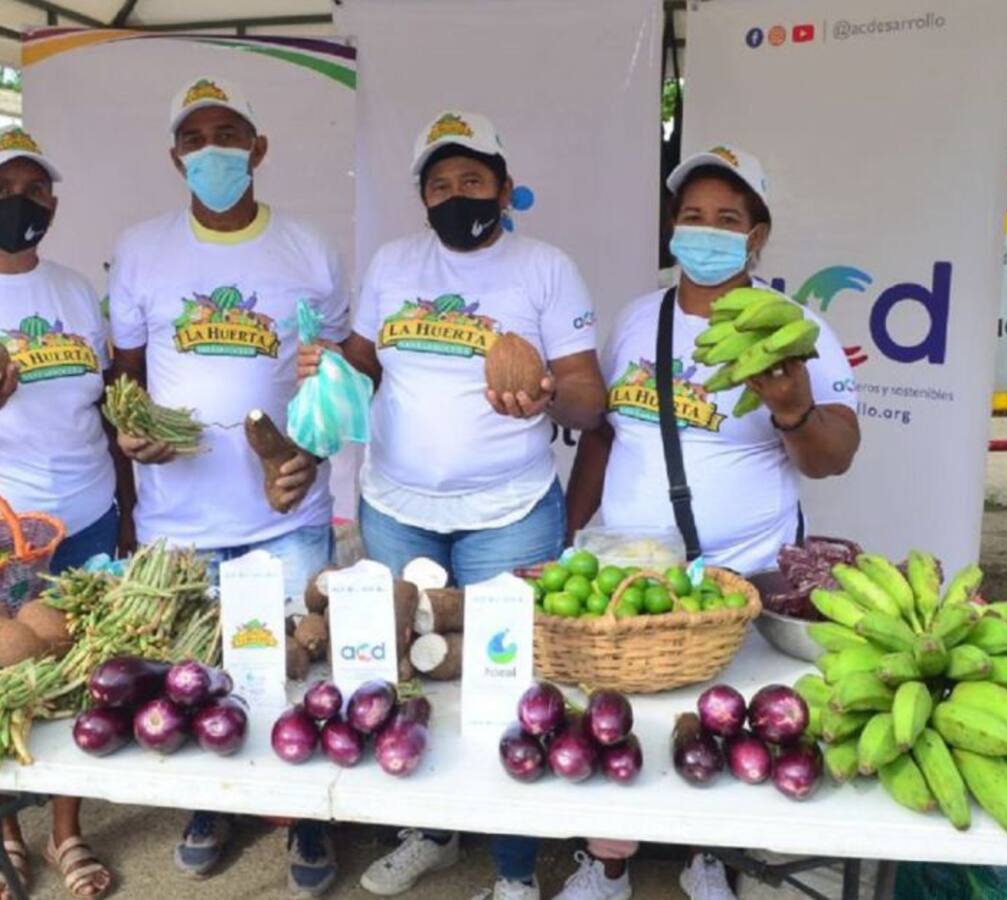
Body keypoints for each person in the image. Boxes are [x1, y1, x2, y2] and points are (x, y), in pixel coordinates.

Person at [299, 110, 606, 900]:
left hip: (508, 513)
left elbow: (585, 396)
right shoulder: (395, 264)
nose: (456, 195)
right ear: (422, 196)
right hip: (396, 507)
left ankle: (510, 870)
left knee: (503, 686)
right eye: (439, 184)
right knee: (405, 676)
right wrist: (330, 373)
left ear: (503, 188)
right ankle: (429, 833)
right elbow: (364, 366)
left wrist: (544, 393)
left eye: (472, 179)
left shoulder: (544, 267)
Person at [560, 146, 861, 900]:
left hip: (743, 572)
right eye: (692, 216)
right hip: (632, 570)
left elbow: (836, 455)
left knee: (722, 723)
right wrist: (570, 531)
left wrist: (791, 405)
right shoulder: (638, 319)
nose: (706, 231)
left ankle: (710, 857)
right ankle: (607, 862)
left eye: (727, 219)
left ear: (757, 235)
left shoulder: (798, 331)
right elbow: (603, 433)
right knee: (617, 715)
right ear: (672, 226)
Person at [107, 77, 349, 897]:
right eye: (196, 137)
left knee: (291, 671)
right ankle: (211, 807)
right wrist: (131, 434)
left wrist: (309, 453)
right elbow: (127, 378)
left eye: (230, 133)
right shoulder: (140, 248)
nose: (213, 149)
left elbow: (331, 381)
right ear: (176, 156)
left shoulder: (308, 248)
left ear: (259, 148)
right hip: (181, 517)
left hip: (285, 515)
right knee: (193, 677)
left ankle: (306, 815)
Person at [0, 126, 119, 900]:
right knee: (5, 676)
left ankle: (66, 826)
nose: (21, 202)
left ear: (54, 201)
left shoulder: (77, 289)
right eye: (7, 188)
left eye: (36, 189)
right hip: (6, 529)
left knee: (79, 675)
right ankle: (5, 831)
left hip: (90, 516)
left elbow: (106, 405)